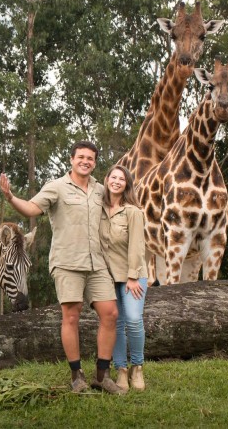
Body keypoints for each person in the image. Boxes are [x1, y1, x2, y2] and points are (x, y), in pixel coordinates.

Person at [0, 141, 124, 395]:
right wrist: (11, 197)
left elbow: (121, 205)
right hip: (67, 262)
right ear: (71, 159)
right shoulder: (56, 187)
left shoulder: (100, 189)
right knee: (71, 316)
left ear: (95, 162)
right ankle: (76, 375)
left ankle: (102, 375)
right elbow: (32, 208)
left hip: (97, 263)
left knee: (110, 313)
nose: (85, 161)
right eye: (81, 157)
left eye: (90, 158)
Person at [99, 164, 147, 392]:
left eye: (122, 179)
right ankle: (121, 370)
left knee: (134, 320)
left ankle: (137, 366)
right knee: (115, 324)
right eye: (113, 177)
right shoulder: (98, 210)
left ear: (127, 184)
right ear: (107, 179)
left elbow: (138, 245)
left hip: (133, 276)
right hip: (107, 278)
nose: (117, 181)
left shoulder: (133, 212)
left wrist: (133, 277)